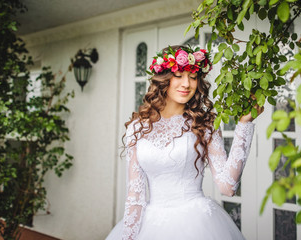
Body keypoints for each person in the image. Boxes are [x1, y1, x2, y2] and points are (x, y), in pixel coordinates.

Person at [106, 45, 264, 240]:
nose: (187, 84)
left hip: (198, 223)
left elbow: (228, 187)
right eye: (179, 75)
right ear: (163, 79)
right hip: (151, 226)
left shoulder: (205, 124)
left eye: (193, 77)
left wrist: (244, 125)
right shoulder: (137, 128)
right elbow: (135, 197)